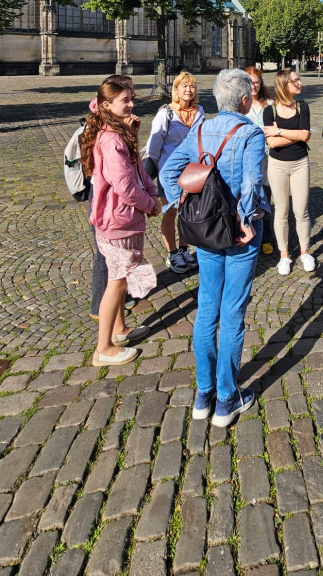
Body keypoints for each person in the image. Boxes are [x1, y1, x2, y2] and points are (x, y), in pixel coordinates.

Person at [160, 69, 268, 426]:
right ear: (245, 100)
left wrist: (184, 206)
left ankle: (203, 394)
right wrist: (246, 219)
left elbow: (168, 172)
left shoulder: (201, 129)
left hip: (206, 229)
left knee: (207, 307)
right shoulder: (250, 133)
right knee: (232, 311)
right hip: (238, 232)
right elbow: (252, 183)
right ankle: (226, 398)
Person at [82, 76, 161, 367]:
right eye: (125, 100)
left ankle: (119, 330)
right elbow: (125, 186)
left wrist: (132, 136)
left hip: (119, 217)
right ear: (107, 105)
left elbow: (137, 169)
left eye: (131, 99)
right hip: (118, 219)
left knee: (120, 277)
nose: (131, 105)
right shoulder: (111, 138)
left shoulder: (117, 130)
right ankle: (103, 348)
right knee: (116, 283)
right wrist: (149, 204)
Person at [143, 71, 204, 275]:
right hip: (169, 172)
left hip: (192, 171)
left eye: (192, 86)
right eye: (184, 86)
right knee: (170, 212)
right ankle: (172, 253)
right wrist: (164, 165)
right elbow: (153, 146)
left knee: (187, 212)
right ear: (176, 90)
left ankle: (184, 249)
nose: (188, 90)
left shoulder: (200, 111)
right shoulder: (166, 113)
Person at [263, 69, 314, 275]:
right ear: (284, 85)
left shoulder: (303, 107)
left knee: (301, 211)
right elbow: (272, 143)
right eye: (295, 80)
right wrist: (296, 135)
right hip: (277, 165)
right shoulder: (270, 111)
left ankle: (305, 252)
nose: (299, 83)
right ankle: (284, 255)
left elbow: (305, 135)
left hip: (300, 163)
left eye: (299, 79)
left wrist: (279, 131)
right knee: (281, 211)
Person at [246, 66, 275, 256]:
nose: (254, 86)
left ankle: (266, 237)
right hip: (247, 158)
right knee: (248, 196)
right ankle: (247, 230)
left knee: (265, 196)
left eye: (256, 82)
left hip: (267, 157)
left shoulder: (269, 104)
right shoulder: (241, 105)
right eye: (250, 83)